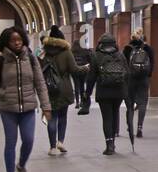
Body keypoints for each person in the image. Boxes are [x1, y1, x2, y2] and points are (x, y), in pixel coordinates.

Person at [0, 26, 51, 172]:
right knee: (10, 142)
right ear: (6, 43)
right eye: (13, 40)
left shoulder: (30, 58)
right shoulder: (0, 61)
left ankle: (21, 165)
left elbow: (40, 83)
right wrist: (3, 94)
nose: (16, 43)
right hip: (8, 109)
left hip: (28, 107)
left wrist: (46, 106)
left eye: (19, 40)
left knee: (28, 140)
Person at [40, 26, 86, 155]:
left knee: (52, 117)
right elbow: (75, 70)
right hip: (64, 88)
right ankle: (60, 141)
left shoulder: (43, 52)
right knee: (63, 116)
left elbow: (39, 70)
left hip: (48, 89)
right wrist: (87, 68)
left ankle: (52, 147)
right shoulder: (66, 52)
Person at [90, 34, 129, 155]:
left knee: (107, 117)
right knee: (114, 114)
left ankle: (109, 144)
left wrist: (87, 94)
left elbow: (91, 77)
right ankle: (113, 141)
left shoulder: (97, 56)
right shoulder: (120, 55)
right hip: (118, 92)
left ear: (100, 44)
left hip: (104, 92)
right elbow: (127, 73)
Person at [122, 29, 154, 139]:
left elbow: (123, 65)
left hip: (130, 79)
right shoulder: (148, 49)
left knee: (129, 105)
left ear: (131, 38)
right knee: (143, 103)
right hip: (143, 79)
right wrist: (147, 75)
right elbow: (152, 64)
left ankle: (130, 126)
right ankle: (140, 127)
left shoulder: (127, 49)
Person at [71, 37, 92, 113]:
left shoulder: (71, 52)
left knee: (76, 85)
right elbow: (90, 59)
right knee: (82, 86)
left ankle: (77, 102)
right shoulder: (85, 51)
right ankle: (82, 102)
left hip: (75, 71)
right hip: (83, 70)